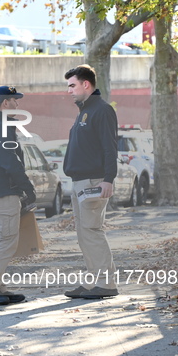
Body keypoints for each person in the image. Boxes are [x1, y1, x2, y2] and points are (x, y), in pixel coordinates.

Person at [62, 64, 119, 299]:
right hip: (80, 181)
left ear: (86, 84)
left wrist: (108, 179)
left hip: (94, 181)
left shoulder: (102, 110)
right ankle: (93, 281)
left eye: (72, 85)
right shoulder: (84, 111)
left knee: (92, 231)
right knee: (84, 233)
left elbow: (110, 147)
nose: (69, 90)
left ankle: (106, 283)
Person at [0, 86, 36, 305]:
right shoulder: (2, 125)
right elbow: (9, 161)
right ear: (5, 103)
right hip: (3, 191)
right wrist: (27, 187)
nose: (17, 104)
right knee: (7, 241)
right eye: (14, 100)